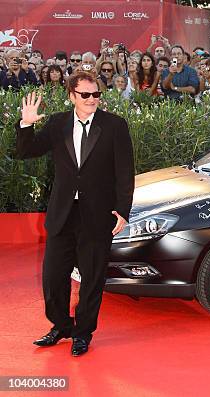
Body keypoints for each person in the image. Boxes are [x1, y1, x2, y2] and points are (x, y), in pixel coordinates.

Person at [15, 71, 135, 356]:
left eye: (96, 94)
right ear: (72, 96)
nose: (92, 99)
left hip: (98, 214)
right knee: (53, 277)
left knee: (92, 278)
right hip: (63, 213)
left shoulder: (115, 126)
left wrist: (123, 211)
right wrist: (26, 125)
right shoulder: (58, 123)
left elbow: (125, 172)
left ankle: (83, 332)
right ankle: (61, 325)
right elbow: (27, 151)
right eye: (86, 95)